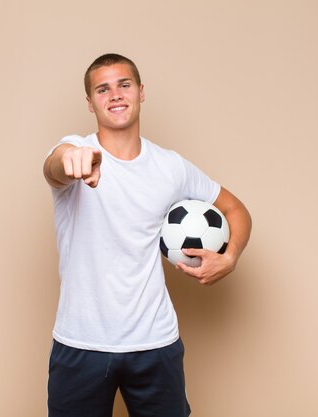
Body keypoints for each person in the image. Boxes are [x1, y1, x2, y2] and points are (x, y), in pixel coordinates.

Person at [43, 53, 252, 417]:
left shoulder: (170, 167)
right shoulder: (77, 149)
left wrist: (230, 256)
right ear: (90, 103)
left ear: (141, 92)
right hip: (82, 342)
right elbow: (55, 167)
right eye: (103, 89)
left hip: (155, 341)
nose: (115, 95)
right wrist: (71, 159)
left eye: (124, 85)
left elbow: (237, 210)